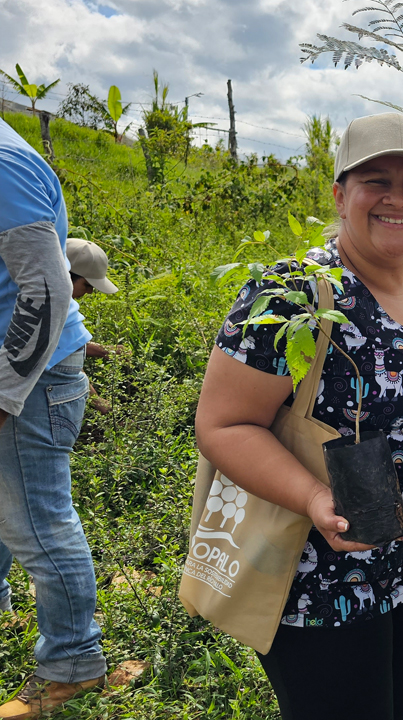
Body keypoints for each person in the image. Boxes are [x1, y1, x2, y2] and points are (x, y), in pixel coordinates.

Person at [194, 113, 403, 720]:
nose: (398, 199)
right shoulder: (292, 292)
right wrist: (315, 497)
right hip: (318, 578)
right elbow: (223, 425)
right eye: (376, 181)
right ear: (340, 195)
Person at [0, 119, 106, 719]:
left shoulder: (2, 166)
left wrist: (3, 399)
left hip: (27, 377)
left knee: (40, 524)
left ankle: (73, 664)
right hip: (27, 370)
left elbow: (44, 292)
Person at [66, 238, 121, 413]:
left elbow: (70, 343)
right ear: (65, 274)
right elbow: (66, 359)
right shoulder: (46, 308)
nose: (90, 292)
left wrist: (107, 351)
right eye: (87, 285)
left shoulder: (64, 304)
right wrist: (98, 401)